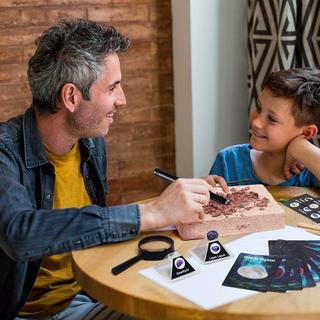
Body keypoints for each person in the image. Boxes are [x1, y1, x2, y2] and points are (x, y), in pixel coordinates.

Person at [0, 19, 228, 320]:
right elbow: (20, 235)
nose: (122, 100)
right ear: (71, 97)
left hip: (90, 294)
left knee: (192, 304)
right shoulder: (5, 152)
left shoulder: (91, 146)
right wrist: (150, 213)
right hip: (26, 314)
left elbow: (92, 226)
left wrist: (177, 201)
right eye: (113, 87)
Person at [209, 67, 320, 188]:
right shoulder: (228, 161)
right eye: (258, 107)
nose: (256, 122)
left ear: (307, 132)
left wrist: (299, 148)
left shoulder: (311, 172)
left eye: (272, 119)